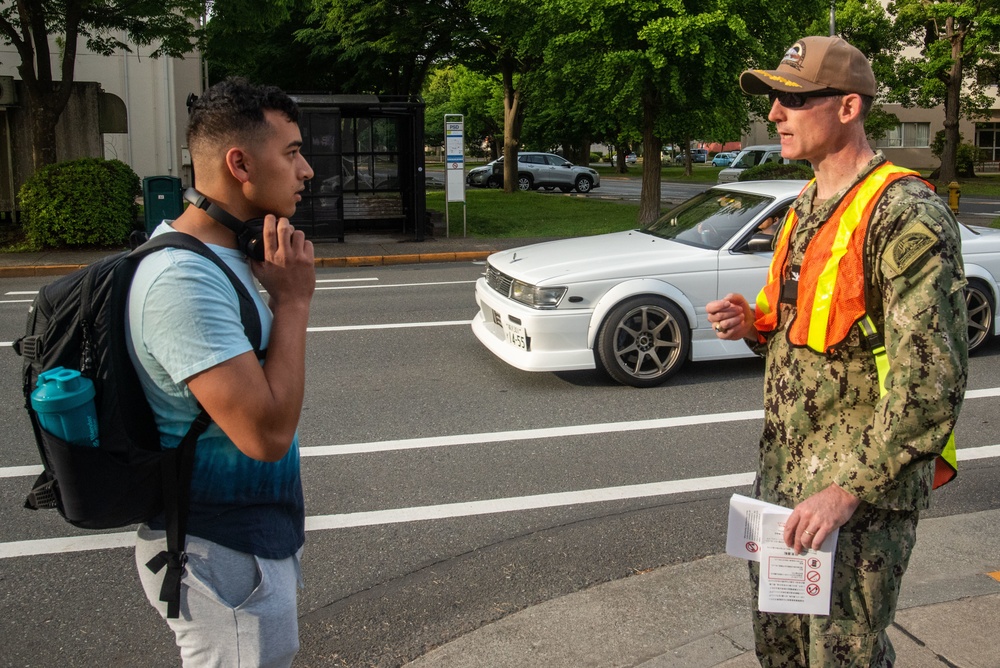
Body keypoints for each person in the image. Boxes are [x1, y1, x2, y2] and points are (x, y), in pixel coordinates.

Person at [706, 36, 967, 666]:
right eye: (774, 99)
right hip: (788, 484)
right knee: (783, 650)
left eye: (793, 99)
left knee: (841, 656)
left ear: (848, 107)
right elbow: (818, 336)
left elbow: (932, 383)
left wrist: (846, 489)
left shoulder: (907, 215)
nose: (775, 114)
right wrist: (756, 326)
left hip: (855, 502)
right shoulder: (806, 204)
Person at [127, 78, 315, 667]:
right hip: (218, 548)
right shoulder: (183, 280)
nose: (305, 170)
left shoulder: (224, 257)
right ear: (239, 163)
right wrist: (293, 303)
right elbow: (264, 436)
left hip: (250, 538)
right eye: (290, 153)